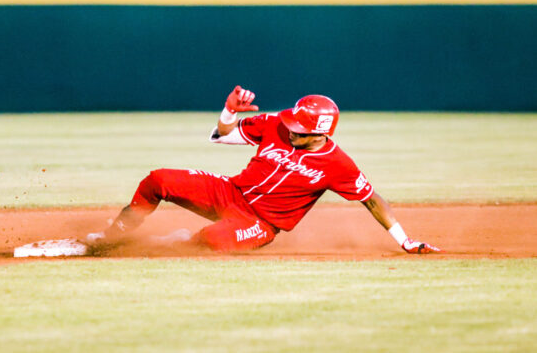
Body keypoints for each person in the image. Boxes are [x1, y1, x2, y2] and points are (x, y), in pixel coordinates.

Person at [87, 86, 440, 254]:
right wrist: (229, 113)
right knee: (158, 179)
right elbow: (220, 138)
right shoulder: (277, 124)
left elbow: (372, 201)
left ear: (322, 133)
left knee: (214, 241)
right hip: (229, 192)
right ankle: (113, 235)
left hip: (259, 223)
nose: (292, 129)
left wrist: (405, 241)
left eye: (301, 129)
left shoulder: (337, 164)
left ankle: (178, 242)